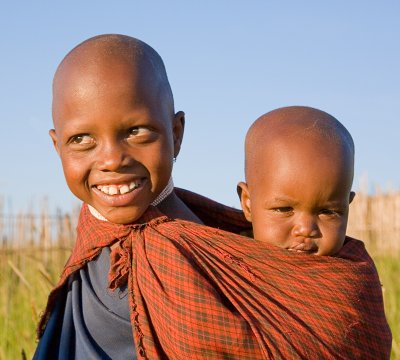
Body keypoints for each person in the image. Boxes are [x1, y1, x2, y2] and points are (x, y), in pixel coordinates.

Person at [34, 34, 392, 359]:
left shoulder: (206, 242)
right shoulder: (103, 244)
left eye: (136, 131)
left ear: (176, 132)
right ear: (57, 146)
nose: (112, 159)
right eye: (82, 139)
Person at [237, 106, 355, 256]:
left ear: (347, 206)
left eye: (328, 212)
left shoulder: (356, 273)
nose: (306, 230)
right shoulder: (219, 265)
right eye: (284, 209)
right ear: (248, 203)